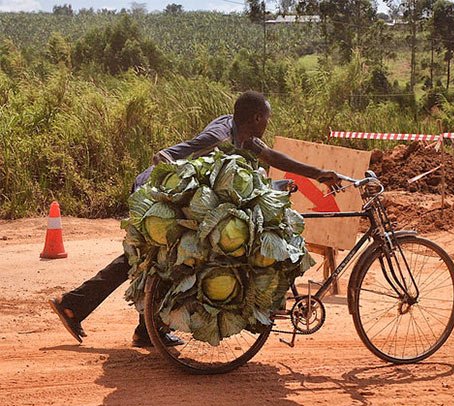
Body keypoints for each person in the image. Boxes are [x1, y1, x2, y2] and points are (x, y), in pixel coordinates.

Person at [50, 91, 342, 347]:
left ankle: (131, 326)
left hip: (175, 198)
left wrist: (318, 174)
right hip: (155, 192)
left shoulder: (244, 135)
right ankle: (86, 309)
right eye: (267, 118)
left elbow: (274, 158)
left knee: (155, 261)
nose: (268, 123)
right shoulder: (220, 138)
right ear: (255, 118)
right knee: (162, 260)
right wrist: (166, 195)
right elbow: (165, 156)